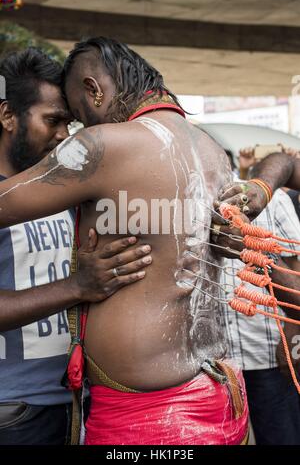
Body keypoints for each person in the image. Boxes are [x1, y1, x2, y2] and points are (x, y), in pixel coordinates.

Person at [0, 38, 248, 445]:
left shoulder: (102, 146)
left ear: (94, 89)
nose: (72, 135)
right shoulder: (210, 150)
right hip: (217, 393)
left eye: (80, 118)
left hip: (150, 421)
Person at [0, 48, 153, 445]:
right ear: (7, 116)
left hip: (77, 403)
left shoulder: (70, 196)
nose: (63, 136)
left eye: (70, 123)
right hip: (15, 411)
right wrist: (77, 286)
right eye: (52, 120)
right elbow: (83, 284)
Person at [218, 149, 300, 445]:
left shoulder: (272, 199)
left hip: (266, 353)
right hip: (218, 365)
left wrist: (290, 333)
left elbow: (296, 267)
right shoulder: (188, 205)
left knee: (282, 437)